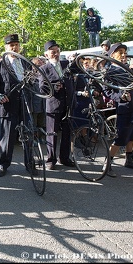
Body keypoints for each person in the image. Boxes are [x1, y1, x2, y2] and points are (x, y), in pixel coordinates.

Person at [0, 33, 40, 177]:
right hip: (8, 107)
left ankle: (30, 164)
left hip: (24, 105)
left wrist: (31, 81)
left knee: (28, 136)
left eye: (16, 45)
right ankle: (3, 164)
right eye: (12, 45)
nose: (15, 47)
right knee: (8, 138)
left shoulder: (25, 63)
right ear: (6, 47)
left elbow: (32, 82)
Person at [103, 43, 133, 177]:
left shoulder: (128, 68)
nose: (123, 54)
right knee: (121, 137)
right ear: (112, 55)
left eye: (124, 52)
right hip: (125, 106)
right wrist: (120, 97)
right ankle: (107, 163)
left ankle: (129, 158)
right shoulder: (110, 71)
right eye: (120, 52)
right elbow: (107, 91)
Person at [39, 40, 75, 170]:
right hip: (53, 105)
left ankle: (64, 158)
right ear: (46, 54)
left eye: (58, 51)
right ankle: (51, 159)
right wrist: (54, 87)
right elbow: (42, 88)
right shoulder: (43, 69)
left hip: (68, 104)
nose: (56, 54)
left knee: (67, 133)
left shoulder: (66, 64)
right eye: (52, 52)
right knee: (52, 133)